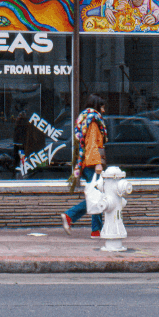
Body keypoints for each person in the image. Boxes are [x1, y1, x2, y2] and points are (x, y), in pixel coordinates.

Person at [61, 94, 108, 237]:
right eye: (102, 107)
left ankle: (96, 231)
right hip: (93, 164)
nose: (104, 110)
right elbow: (92, 144)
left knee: (96, 196)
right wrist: (98, 163)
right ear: (96, 106)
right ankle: (70, 216)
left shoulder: (85, 120)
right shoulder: (93, 122)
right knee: (96, 197)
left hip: (87, 163)